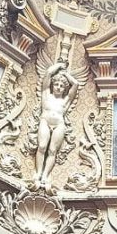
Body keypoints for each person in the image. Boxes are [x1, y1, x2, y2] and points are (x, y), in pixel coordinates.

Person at [34, 62, 81, 190]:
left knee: (52, 150)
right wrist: (59, 66)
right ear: (52, 85)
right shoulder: (46, 94)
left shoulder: (65, 101)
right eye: (56, 84)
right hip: (45, 120)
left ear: (64, 88)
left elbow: (76, 84)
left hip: (59, 124)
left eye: (61, 85)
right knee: (42, 146)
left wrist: (65, 74)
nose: (59, 87)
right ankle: (38, 172)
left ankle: (45, 175)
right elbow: (48, 73)